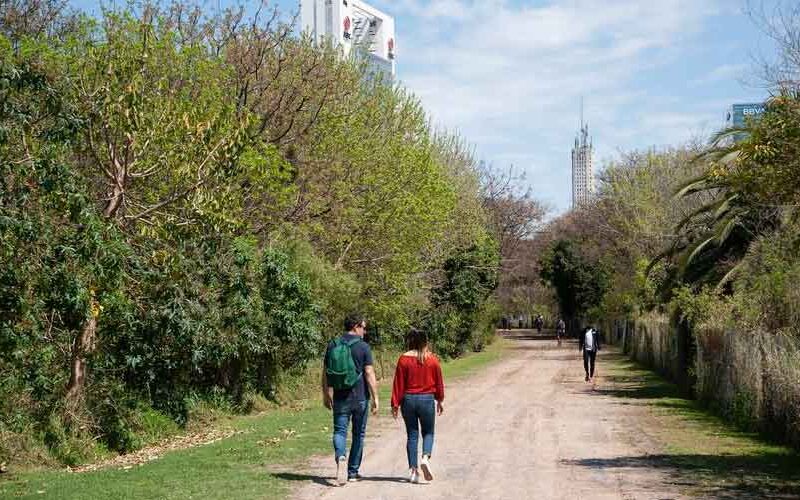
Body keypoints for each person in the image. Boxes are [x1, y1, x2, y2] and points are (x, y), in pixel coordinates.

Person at [322, 313, 379, 486]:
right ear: (355, 326)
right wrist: (375, 397)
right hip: (360, 397)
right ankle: (353, 472)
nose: (365, 330)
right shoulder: (363, 347)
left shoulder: (333, 345)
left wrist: (326, 394)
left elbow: (325, 373)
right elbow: (369, 373)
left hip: (340, 397)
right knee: (358, 434)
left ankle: (340, 457)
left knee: (339, 431)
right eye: (363, 326)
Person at [391, 329, 445, 484]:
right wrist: (440, 400)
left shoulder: (403, 359)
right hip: (427, 399)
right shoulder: (432, 359)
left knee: (412, 435)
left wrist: (395, 404)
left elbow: (398, 384)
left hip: (408, 400)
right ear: (425, 342)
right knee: (428, 432)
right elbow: (439, 381)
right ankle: (425, 458)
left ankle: (413, 471)